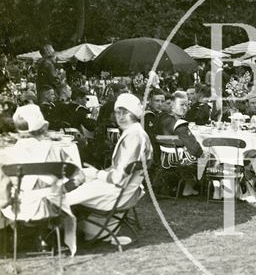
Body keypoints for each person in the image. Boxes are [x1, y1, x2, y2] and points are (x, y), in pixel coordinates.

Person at [67, 94, 152, 244]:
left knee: (63, 195)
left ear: (135, 114)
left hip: (117, 193)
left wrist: (96, 173)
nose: (120, 116)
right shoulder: (134, 132)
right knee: (77, 181)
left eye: (125, 112)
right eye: (118, 112)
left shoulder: (134, 137)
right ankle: (86, 230)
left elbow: (119, 177)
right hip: (126, 190)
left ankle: (53, 235)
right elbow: (120, 169)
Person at [0, 105, 79, 254]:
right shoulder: (55, 149)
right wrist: (61, 191)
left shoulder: (6, 154)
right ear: (41, 127)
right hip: (53, 206)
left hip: (21, 208)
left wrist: (5, 203)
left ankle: (8, 239)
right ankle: (44, 236)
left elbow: (3, 193)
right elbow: (78, 176)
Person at [156, 90, 203, 196]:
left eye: (187, 105)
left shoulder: (161, 118)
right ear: (172, 105)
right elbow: (195, 149)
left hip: (164, 157)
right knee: (208, 154)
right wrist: (203, 153)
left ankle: (187, 186)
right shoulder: (180, 124)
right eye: (181, 105)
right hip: (178, 159)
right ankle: (191, 185)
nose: (185, 108)